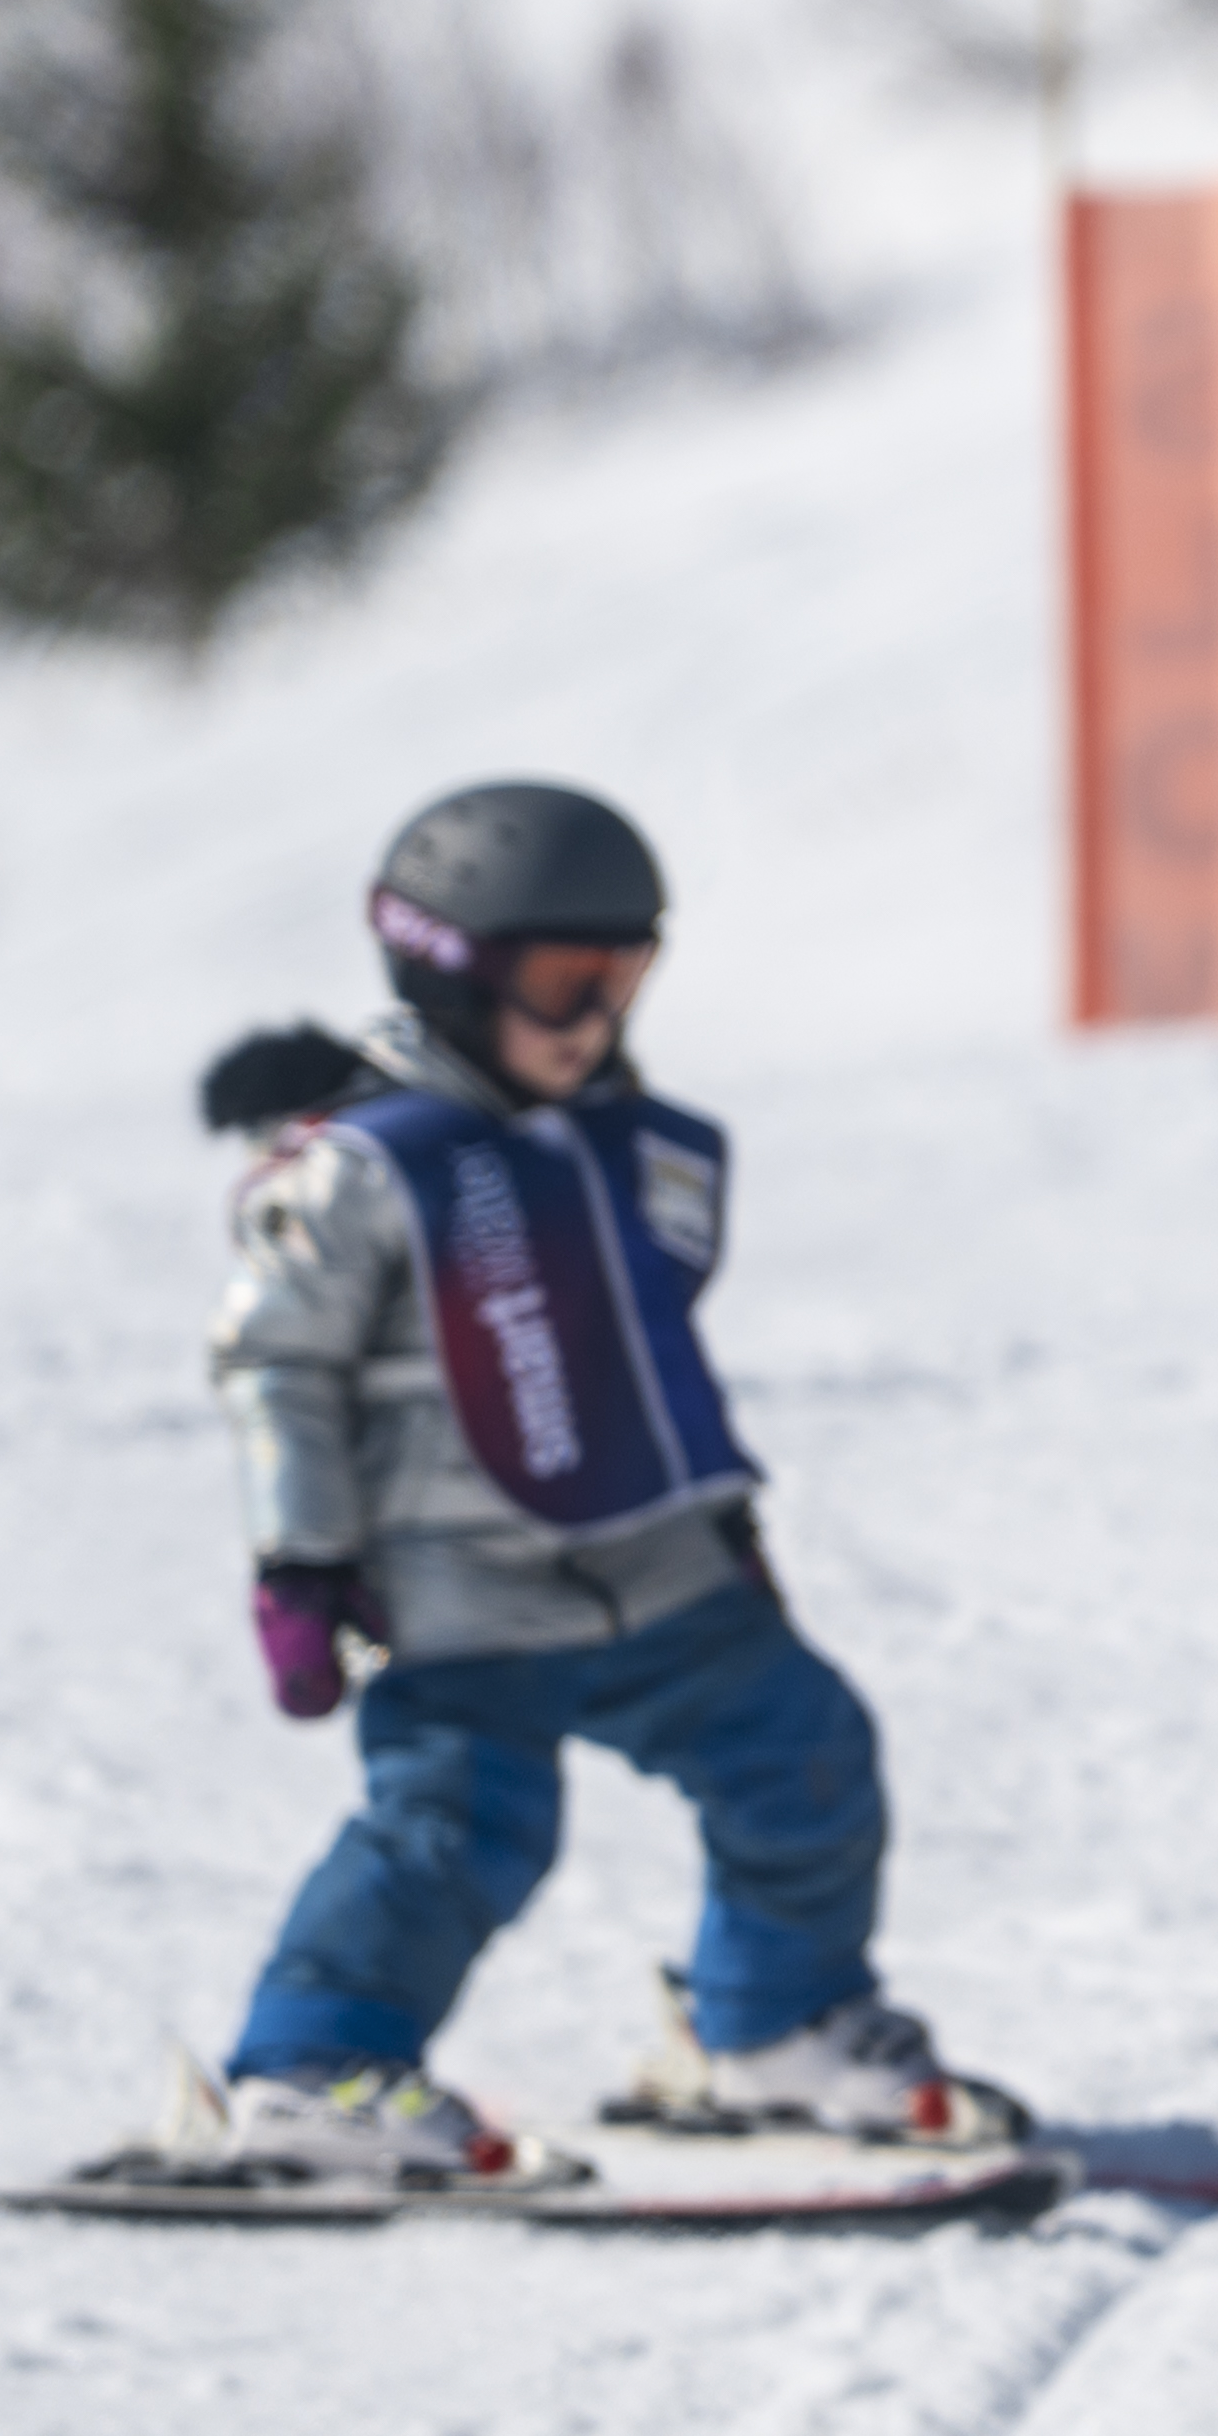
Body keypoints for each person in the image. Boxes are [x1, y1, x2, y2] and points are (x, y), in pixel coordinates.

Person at [174, 778, 1026, 2184]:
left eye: (622, 980)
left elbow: (644, 1361)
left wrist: (724, 1527)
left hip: (655, 1572)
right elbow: (277, 1370)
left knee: (804, 1755)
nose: (594, 1021)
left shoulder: (626, 1149)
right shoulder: (362, 1175)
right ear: (447, 977)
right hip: (463, 1594)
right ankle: (315, 2067)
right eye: (560, 984)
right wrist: (301, 1567)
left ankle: (777, 2025)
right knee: (459, 1832)